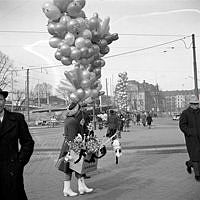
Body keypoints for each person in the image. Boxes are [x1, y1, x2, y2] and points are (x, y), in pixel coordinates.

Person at [0, 88, 34, 200]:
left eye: (0, 99)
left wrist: (19, 163)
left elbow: (28, 142)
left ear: (4, 101)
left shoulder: (16, 118)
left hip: (12, 172)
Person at [58, 102, 93, 197]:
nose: (79, 111)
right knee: (73, 167)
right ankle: (68, 189)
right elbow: (73, 136)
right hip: (72, 147)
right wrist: (80, 142)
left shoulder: (68, 119)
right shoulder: (72, 121)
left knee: (76, 167)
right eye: (78, 109)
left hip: (70, 146)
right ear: (75, 110)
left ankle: (80, 187)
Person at [179, 96, 200, 181]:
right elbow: (182, 125)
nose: (196, 106)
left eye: (197, 104)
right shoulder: (185, 113)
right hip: (191, 139)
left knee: (198, 156)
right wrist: (190, 132)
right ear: (190, 104)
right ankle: (197, 175)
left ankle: (189, 164)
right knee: (195, 156)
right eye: (194, 104)